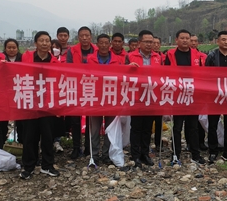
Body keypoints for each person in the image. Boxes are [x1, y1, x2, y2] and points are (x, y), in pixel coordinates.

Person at [20, 31, 60, 179]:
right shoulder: (26, 57)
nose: (44, 43)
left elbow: (58, 83)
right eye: (41, 40)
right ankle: (28, 167)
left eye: (47, 41)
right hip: (30, 102)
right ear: (35, 43)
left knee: (48, 136)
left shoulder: (55, 62)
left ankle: (47, 165)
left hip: (48, 103)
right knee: (30, 136)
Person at [164, 29, 206, 165]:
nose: (185, 40)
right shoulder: (170, 54)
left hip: (193, 95)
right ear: (176, 40)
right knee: (177, 127)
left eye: (187, 38)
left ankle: (195, 154)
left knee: (193, 126)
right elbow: (164, 73)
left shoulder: (197, 55)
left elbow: (204, 74)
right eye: (182, 38)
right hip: (177, 95)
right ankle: (176, 154)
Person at [86, 34, 125, 164]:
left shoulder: (118, 60)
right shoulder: (90, 59)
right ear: (97, 44)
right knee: (95, 129)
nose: (103, 45)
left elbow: (123, 75)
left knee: (110, 128)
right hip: (95, 97)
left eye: (106, 43)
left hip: (111, 96)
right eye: (101, 43)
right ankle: (94, 155)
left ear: (110, 44)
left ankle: (107, 154)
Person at [126, 30, 163, 170]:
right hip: (136, 96)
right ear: (139, 43)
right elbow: (121, 74)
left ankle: (145, 153)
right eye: (146, 42)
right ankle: (135, 155)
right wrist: (128, 68)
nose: (149, 44)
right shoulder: (130, 56)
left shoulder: (158, 57)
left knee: (148, 127)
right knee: (136, 127)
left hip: (152, 96)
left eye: (151, 42)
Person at [204, 31, 227, 163]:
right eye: (223, 40)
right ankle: (213, 150)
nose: (226, 42)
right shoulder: (212, 56)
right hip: (215, 95)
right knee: (213, 124)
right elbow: (206, 75)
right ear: (218, 41)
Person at [66, 26, 98, 159]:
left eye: (87, 35)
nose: (84, 38)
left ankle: (88, 147)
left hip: (92, 87)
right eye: (82, 36)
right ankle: (76, 147)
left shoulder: (96, 50)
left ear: (91, 37)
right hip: (76, 87)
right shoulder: (72, 51)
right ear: (78, 37)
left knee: (91, 119)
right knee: (75, 120)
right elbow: (68, 68)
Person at [190, 34, 208, 149]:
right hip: (188, 89)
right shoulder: (186, 56)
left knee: (201, 117)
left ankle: (200, 141)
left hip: (201, 90)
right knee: (190, 119)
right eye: (191, 41)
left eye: (195, 41)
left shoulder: (203, 56)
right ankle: (190, 142)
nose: (193, 43)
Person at [151, 36, 165, 152]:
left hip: (160, 92)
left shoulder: (163, 58)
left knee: (159, 120)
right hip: (149, 91)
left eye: (157, 43)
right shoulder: (149, 58)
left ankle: (158, 143)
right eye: (154, 43)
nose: (156, 45)